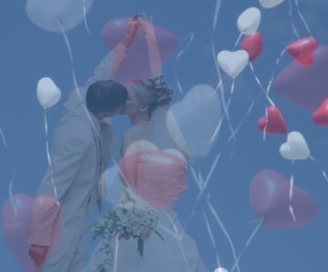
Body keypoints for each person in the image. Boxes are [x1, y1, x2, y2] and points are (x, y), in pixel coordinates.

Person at [28, 15, 142, 272]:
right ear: (110, 111)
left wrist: (126, 41)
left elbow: (102, 72)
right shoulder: (78, 139)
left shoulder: (88, 95)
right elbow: (52, 185)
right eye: (120, 107)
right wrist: (38, 238)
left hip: (79, 214)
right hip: (61, 222)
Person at [84, 75, 209, 272]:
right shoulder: (168, 133)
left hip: (135, 210)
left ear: (143, 107)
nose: (122, 101)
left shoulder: (130, 135)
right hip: (162, 210)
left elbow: (130, 184)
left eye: (128, 99)